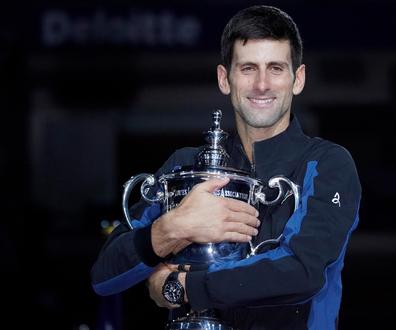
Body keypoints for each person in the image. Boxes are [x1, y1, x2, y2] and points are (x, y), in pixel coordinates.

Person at [91, 5, 361, 329]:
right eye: (248, 68)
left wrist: (183, 287)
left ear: (297, 79)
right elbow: (103, 276)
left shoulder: (328, 164)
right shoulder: (186, 166)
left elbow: (302, 271)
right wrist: (174, 228)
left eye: (275, 68)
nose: (262, 85)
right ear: (224, 79)